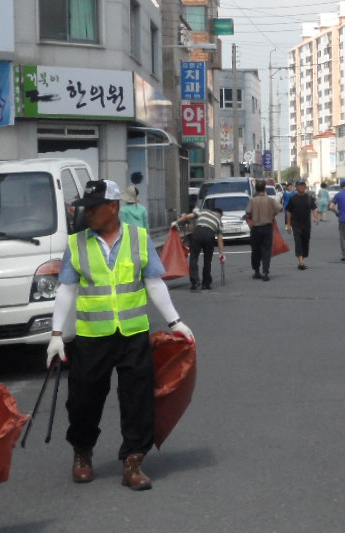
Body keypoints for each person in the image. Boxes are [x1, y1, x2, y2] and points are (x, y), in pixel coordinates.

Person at [45, 180, 191, 491]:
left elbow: (154, 284)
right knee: (83, 401)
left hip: (133, 334)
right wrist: (56, 334)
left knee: (137, 401)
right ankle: (82, 452)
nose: (88, 213)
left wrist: (175, 321)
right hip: (91, 336)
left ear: (113, 207)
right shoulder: (76, 243)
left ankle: (133, 461)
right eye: (85, 208)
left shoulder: (139, 239)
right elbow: (66, 290)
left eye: (93, 208)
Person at [177, 198, 223, 291]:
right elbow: (220, 239)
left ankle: (195, 281)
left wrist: (176, 223)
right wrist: (221, 254)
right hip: (209, 235)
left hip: (197, 233)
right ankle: (206, 284)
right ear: (220, 215)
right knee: (207, 260)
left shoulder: (203, 212)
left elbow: (186, 217)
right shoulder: (219, 221)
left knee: (193, 258)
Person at [247, 185, 282, 281]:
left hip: (256, 228)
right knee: (266, 250)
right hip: (267, 227)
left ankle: (256, 271)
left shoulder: (253, 201)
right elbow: (280, 208)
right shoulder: (270, 200)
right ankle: (265, 271)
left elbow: (247, 213)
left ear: (257, 190)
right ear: (264, 190)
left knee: (255, 250)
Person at [283, 179, 320, 270]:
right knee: (298, 242)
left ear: (305, 187)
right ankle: (301, 262)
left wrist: (316, 217)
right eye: (299, 185)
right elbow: (289, 212)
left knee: (305, 242)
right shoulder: (293, 199)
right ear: (296, 187)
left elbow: (314, 208)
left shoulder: (309, 198)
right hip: (296, 224)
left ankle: (302, 259)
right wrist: (288, 224)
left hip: (306, 224)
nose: (301, 187)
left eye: (303, 185)